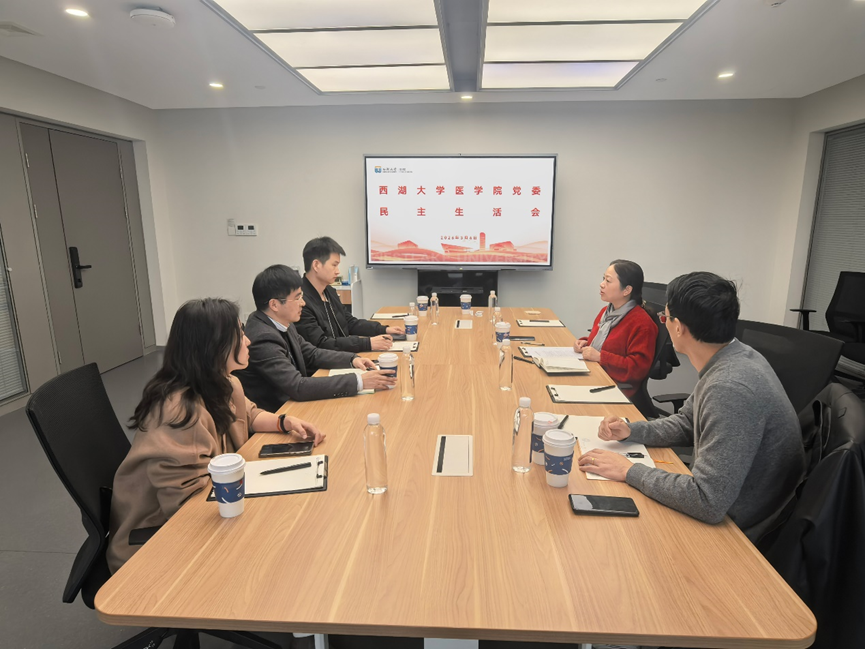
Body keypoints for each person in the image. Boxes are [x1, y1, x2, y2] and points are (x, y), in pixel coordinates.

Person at [579, 272, 806, 543]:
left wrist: (628, 470)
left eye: (664, 317)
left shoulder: (729, 387)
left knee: (613, 537)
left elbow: (707, 500)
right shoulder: (735, 356)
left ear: (679, 328)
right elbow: (687, 422)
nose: (664, 323)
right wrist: (631, 431)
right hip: (729, 504)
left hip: (738, 533)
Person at [107, 298, 325, 573]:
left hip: (206, 509)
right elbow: (187, 508)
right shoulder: (179, 413)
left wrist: (285, 421)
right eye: (239, 334)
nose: (248, 341)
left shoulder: (224, 383)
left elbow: (249, 414)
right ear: (214, 346)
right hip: (155, 544)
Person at [235, 264, 396, 412]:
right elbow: (297, 386)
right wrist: (359, 381)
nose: (303, 303)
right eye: (297, 297)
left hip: (295, 406)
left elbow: (312, 353)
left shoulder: (281, 322)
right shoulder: (262, 338)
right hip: (279, 414)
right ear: (274, 305)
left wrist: (352, 359)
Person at [297, 236, 404, 352]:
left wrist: (383, 329)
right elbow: (320, 344)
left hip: (344, 356)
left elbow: (349, 323)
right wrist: (367, 343)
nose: (338, 271)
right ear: (316, 265)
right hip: (327, 362)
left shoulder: (329, 292)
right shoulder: (300, 301)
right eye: (334, 265)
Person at [574, 260, 658, 395]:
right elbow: (606, 344)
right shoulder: (606, 312)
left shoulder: (642, 324)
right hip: (595, 374)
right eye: (603, 279)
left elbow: (637, 369)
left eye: (608, 281)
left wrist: (601, 357)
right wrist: (585, 342)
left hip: (614, 388)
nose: (602, 284)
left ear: (627, 290)